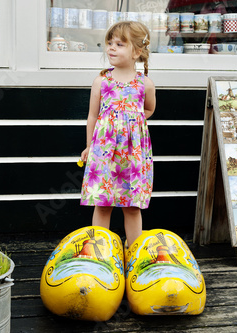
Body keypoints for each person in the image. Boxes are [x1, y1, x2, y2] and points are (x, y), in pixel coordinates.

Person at [80, 21, 156, 247]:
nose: (111, 48)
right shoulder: (101, 82)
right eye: (109, 43)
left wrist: (131, 122)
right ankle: (99, 251)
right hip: (104, 151)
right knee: (103, 203)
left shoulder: (145, 84)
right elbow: (92, 116)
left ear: (137, 52)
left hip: (133, 154)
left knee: (132, 206)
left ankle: (134, 251)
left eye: (120, 44)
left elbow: (149, 109)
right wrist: (89, 146)